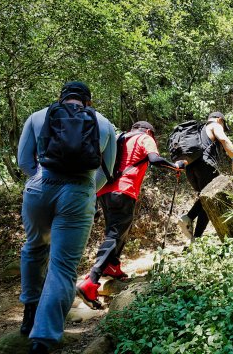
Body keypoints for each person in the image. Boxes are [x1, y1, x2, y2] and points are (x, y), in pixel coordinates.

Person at [16, 81, 116, 354]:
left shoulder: (38, 116)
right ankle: (43, 340)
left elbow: (24, 162)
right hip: (79, 193)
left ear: (60, 98)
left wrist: (43, 180)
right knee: (62, 267)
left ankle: (29, 314)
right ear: (89, 102)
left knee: (34, 247)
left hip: (40, 188)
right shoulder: (104, 124)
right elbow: (107, 171)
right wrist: (84, 190)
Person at [76, 121, 186, 309]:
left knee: (119, 230)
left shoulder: (119, 137)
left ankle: (112, 266)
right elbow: (154, 159)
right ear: (149, 130)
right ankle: (91, 281)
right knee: (115, 234)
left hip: (104, 190)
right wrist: (175, 166)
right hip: (124, 189)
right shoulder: (145, 138)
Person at [177, 112, 233, 241]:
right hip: (205, 165)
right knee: (208, 199)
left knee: (206, 202)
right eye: (223, 125)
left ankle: (196, 239)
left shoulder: (198, 130)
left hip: (190, 167)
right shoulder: (214, 125)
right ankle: (188, 218)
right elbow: (224, 139)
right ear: (219, 120)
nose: (223, 128)